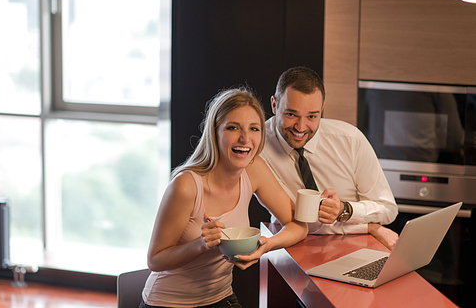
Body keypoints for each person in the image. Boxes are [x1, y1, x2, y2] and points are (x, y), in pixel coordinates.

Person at [142, 87, 308, 308]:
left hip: (220, 298)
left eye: (254, 129)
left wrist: (266, 245)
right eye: (233, 128)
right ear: (215, 132)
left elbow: (298, 225)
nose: (245, 138)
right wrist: (201, 244)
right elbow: (155, 260)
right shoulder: (186, 185)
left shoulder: (253, 169)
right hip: (169, 302)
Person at [260, 66, 399, 250]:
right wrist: (370, 227)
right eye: (291, 114)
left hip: (352, 245)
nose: (301, 127)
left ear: (322, 109)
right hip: (289, 247)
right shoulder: (256, 144)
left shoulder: (351, 140)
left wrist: (345, 210)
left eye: (312, 116)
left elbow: (388, 209)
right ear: (274, 105)